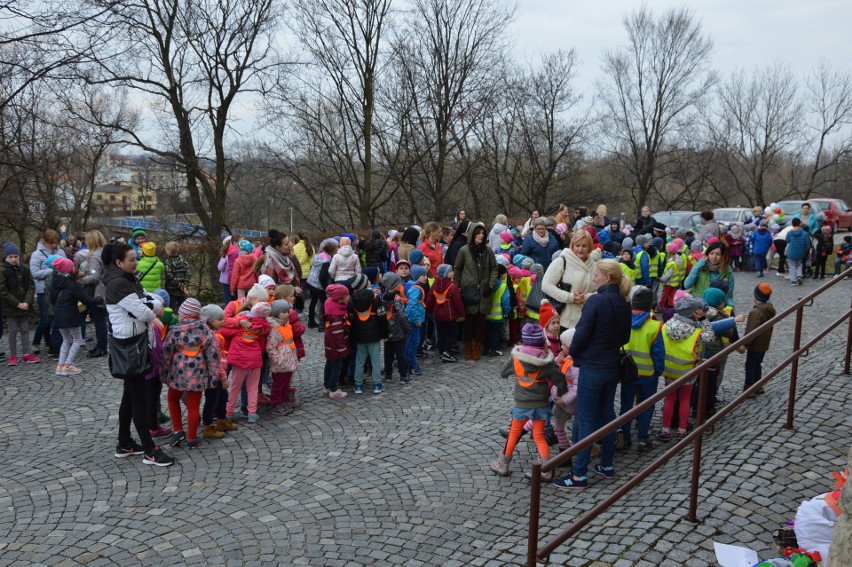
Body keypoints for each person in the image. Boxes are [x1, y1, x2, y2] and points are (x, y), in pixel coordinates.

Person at [552, 259, 632, 489]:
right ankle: (606, 465)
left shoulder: (596, 301)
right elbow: (625, 337)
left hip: (592, 367)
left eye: (596, 275)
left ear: (606, 278)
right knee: (607, 415)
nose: (593, 278)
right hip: (611, 367)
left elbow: (581, 335)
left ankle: (578, 476)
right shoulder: (624, 302)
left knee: (585, 418)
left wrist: (573, 353)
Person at [102, 241, 174, 466]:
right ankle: (150, 450)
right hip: (129, 345)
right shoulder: (118, 284)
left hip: (135, 341)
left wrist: (152, 305)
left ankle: (125, 443)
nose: (136, 262)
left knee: (130, 395)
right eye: (132, 260)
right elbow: (144, 310)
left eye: (136, 258)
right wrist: (153, 308)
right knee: (139, 397)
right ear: (118, 262)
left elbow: (152, 299)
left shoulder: (127, 279)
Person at [490, 323, 567, 480]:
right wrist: (559, 394)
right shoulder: (547, 361)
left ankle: (503, 465)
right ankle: (546, 469)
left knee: (513, 434)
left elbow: (503, 373)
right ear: (541, 341)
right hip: (540, 404)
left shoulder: (516, 358)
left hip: (521, 404)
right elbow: (560, 380)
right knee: (539, 436)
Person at [160, 298, 222, 449]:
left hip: (177, 372)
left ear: (182, 314)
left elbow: (166, 353)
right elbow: (213, 357)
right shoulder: (206, 331)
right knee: (193, 406)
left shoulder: (174, 330)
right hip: (197, 373)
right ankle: (191, 438)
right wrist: (214, 377)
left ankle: (177, 431)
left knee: (173, 400)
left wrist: (163, 373)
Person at [655, 296, 717, 442]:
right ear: (695, 313)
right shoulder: (695, 332)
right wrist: (703, 320)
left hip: (669, 369)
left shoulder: (666, 325)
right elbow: (711, 336)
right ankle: (682, 431)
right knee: (685, 399)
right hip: (688, 370)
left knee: (669, 399)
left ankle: (665, 431)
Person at [618, 286, 664, 453]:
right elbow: (659, 353)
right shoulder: (655, 326)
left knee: (626, 405)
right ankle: (643, 438)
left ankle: (625, 435)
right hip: (648, 374)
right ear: (651, 305)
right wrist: (657, 371)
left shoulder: (623, 321)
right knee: (647, 406)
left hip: (627, 372)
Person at [49, 257, 103, 376]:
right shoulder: (73, 284)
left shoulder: (54, 282)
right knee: (77, 339)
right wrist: (99, 299)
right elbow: (86, 300)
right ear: (69, 269)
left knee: (66, 340)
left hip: (58, 314)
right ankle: (68, 365)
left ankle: (60, 365)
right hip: (71, 315)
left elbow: (52, 299)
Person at [453, 222, 498, 361]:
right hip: (468, 291)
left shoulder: (488, 250)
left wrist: (490, 285)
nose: (480, 235)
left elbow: (494, 268)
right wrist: (458, 286)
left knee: (480, 321)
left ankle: (477, 347)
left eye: (483, 233)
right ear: (472, 234)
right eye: (478, 233)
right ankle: (468, 347)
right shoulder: (464, 250)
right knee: (468, 321)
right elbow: (458, 268)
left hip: (484, 291)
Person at [541, 230, 600, 331]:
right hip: (564, 320)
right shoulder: (561, 261)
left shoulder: (595, 266)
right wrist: (570, 297)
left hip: (589, 320)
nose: (580, 249)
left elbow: (601, 289)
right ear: (572, 245)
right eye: (577, 245)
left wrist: (586, 297)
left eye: (584, 246)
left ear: (590, 247)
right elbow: (546, 285)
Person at [222, 301, 271, 423]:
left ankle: (229, 412)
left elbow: (224, 332)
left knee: (234, 386)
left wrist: (238, 323)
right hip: (255, 360)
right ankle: (252, 413)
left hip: (239, 360)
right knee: (253, 387)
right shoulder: (262, 328)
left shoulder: (241, 324)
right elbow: (264, 340)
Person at [199, 304, 235, 439]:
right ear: (209, 321)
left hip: (218, 375)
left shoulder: (216, 334)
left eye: (223, 319)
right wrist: (223, 377)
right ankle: (207, 426)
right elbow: (215, 362)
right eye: (219, 319)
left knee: (222, 398)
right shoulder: (212, 337)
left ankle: (221, 420)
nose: (222, 322)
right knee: (211, 400)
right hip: (213, 376)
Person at [0, 242, 38, 366]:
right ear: (6, 257)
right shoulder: (2, 270)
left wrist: (27, 301)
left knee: (25, 329)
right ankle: (13, 355)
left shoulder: (25, 268)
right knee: (12, 330)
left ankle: (27, 354)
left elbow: (31, 285)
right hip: (11, 306)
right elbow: (3, 291)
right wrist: (17, 304)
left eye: (15, 256)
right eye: (10, 257)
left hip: (24, 305)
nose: (13, 259)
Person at [30, 228, 66, 355]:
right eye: (51, 243)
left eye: (56, 243)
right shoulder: (37, 254)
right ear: (45, 241)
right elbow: (34, 273)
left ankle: (51, 343)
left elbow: (66, 267)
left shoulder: (60, 252)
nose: (54, 245)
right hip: (43, 290)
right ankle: (36, 342)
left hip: (57, 290)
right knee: (45, 319)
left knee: (54, 318)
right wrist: (51, 271)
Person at [348, 283, 388, 394]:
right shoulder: (376, 298)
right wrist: (385, 334)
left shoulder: (352, 299)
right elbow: (382, 316)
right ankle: (377, 385)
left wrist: (352, 335)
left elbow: (350, 318)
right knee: (375, 361)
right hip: (374, 336)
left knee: (359, 361)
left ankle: (358, 385)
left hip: (359, 336)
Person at [77, 230, 109, 357]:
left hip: (99, 292)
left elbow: (94, 277)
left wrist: (80, 279)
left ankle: (101, 347)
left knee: (99, 320)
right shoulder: (107, 253)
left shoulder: (95, 256)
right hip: (109, 289)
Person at [266, 300, 301, 414]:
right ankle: (276, 403)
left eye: (288, 311)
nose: (287, 314)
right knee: (278, 385)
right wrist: (278, 360)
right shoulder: (275, 329)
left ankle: (282, 402)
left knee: (285, 384)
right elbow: (271, 347)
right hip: (281, 363)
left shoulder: (287, 325)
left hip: (288, 361)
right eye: (284, 312)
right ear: (276, 313)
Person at [425, 264, 464, 363]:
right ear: (446, 274)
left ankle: (443, 351)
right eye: (451, 271)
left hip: (437, 315)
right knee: (453, 334)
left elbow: (429, 299)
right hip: (450, 316)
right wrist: (462, 313)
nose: (453, 273)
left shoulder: (434, 285)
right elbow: (458, 302)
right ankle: (447, 352)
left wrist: (429, 310)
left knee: (442, 334)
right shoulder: (452, 287)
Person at [742, 284, 775, 397]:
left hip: (755, 344)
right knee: (757, 364)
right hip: (764, 343)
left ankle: (749, 388)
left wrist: (744, 344)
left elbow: (751, 330)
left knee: (750, 365)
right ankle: (758, 385)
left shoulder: (756, 312)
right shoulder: (768, 310)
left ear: (755, 297)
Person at [381, 272, 412, 383]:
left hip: (386, 330)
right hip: (398, 331)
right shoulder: (397, 299)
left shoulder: (382, 297)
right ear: (393, 285)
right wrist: (407, 328)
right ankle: (403, 376)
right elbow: (402, 316)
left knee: (388, 354)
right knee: (401, 354)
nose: (401, 284)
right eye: (399, 283)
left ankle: (388, 375)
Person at [683, 241, 735, 306]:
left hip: (717, 309)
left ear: (723, 256)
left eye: (718, 254)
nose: (714, 257)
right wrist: (699, 264)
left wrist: (732, 308)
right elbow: (687, 285)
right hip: (699, 307)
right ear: (707, 254)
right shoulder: (701, 268)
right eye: (711, 253)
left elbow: (728, 296)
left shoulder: (728, 273)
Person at [322, 283, 351, 399]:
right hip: (336, 347)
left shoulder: (331, 307)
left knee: (329, 364)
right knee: (336, 367)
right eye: (346, 295)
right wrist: (342, 349)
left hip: (330, 345)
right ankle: (333, 389)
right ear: (340, 299)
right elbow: (337, 334)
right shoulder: (337, 315)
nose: (349, 297)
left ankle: (326, 386)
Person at [305, 239, 337, 329]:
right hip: (318, 285)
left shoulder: (318, 256)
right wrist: (326, 287)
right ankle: (322, 324)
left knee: (313, 301)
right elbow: (322, 277)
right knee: (324, 303)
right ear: (332, 251)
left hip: (310, 281)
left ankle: (311, 322)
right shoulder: (326, 261)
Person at [405, 265, 428, 375]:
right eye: (423, 275)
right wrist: (416, 319)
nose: (426, 277)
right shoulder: (416, 289)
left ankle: (408, 364)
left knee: (411, 342)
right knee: (414, 342)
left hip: (412, 319)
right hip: (413, 320)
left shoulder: (411, 286)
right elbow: (412, 305)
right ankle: (411, 365)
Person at [483, 264, 510, 357]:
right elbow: (505, 301)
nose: (506, 275)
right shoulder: (503, 286)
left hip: (486, 314)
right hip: (498, 316)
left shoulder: (487, 284)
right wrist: (507, 311)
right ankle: (494, 350)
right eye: (504, 273)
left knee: (487, 333)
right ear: (500, 274)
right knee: (496, 334)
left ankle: (486, 349)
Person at [658, 239, 685, 310]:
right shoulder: (678, 260)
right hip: (674, 282)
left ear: (669, 251)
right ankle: (671, 306)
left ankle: (660, 306)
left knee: (665, 294)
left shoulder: (671, 263)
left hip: (669, 282)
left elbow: (668, 274)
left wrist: (662, 279)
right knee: (672, 294)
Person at [163, 242, 190, 309]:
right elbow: (188, 273)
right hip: (182, 290)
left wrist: (179, 285)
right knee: (183, 307)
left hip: (172, 290)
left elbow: (169, 276)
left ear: (168, 251)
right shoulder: (183, 260)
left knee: (172, 307)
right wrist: (185, 285)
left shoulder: (168, 262)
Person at [785, 218, 810, 286]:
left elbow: (787, 240)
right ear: (799, 224)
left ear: (792, 224)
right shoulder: (804, 233)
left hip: (791, 252)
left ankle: (793, 281)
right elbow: (807, 243)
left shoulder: (790, 233)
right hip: (800, 252)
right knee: (799, 264)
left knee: (792, 266)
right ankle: (799, 276)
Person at [217, 236, 239, 304]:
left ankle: (228, 311)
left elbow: (220, 267)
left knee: (228, 298)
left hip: (226, 281)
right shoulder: (236, 253)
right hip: (234, 279)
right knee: (234, 298)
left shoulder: (225, 255)